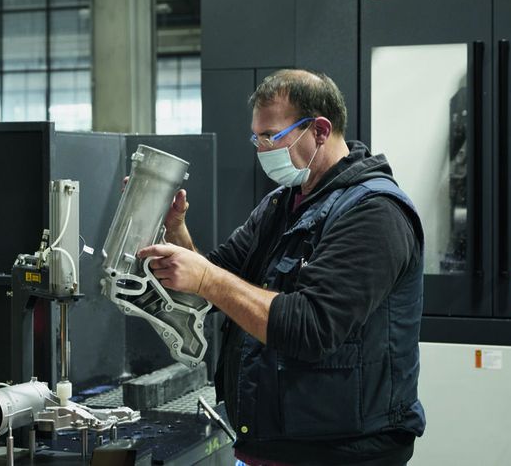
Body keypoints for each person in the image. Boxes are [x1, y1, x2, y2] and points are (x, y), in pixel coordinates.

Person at [138, 69, 425, 465]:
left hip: (340, 454)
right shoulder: (280, 205)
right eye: (256, 137)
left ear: (320, 131)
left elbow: (311, 328)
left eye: (270, 136)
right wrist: (176, 232)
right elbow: (219, 280)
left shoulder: (373, 213)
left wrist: (206, 277)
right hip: (271, 444)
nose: (260, 148)